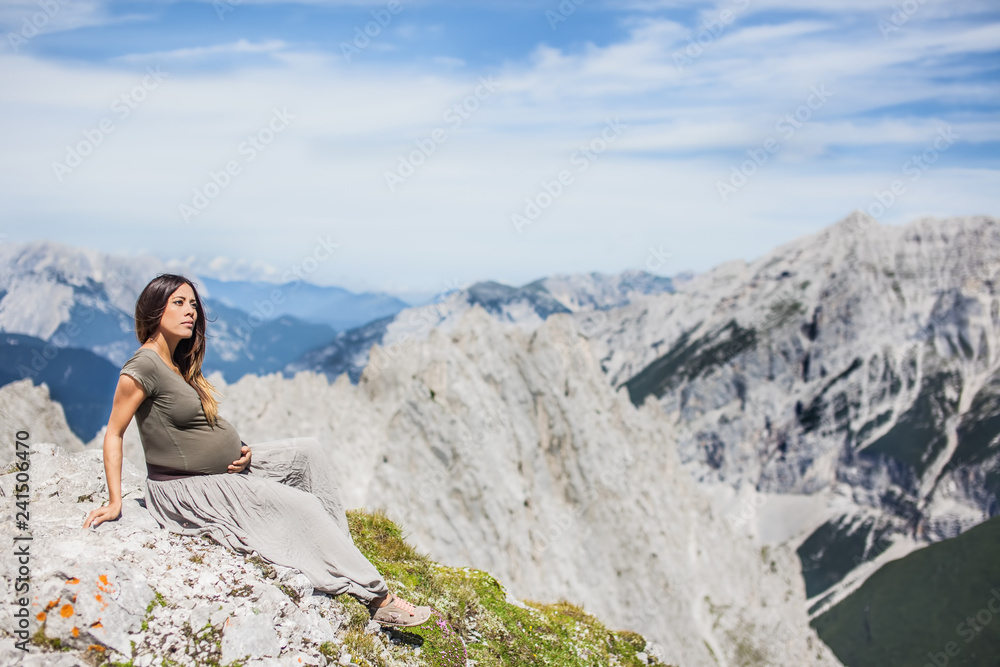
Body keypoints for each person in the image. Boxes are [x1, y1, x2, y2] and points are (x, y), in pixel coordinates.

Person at [82, 273, 430, 628]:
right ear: (155, 311)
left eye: (193, 304)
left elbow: (194, 429)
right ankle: (379, 598)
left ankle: (343, 556)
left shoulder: (175, 361)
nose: (191, 311)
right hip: (187, 488)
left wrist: (243, 449)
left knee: (307, 453)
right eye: (179, 303)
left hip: (223, 468)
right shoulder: (143, 366)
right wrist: (115, 501)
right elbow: (115, 433)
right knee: (303, 506)